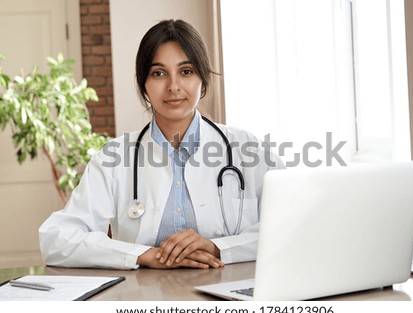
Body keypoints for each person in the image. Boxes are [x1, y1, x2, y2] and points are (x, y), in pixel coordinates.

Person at [39, 19, 284, 270]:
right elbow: (57, 240)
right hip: (142, 299)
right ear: (143, 84)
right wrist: (141, 254)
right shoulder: (114, 157)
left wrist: (220, 247)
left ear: (203, 79)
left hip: (230, 298)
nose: (173, 86)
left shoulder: (247, 149)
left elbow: (294, 225)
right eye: (158, 73)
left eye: (186, 71)